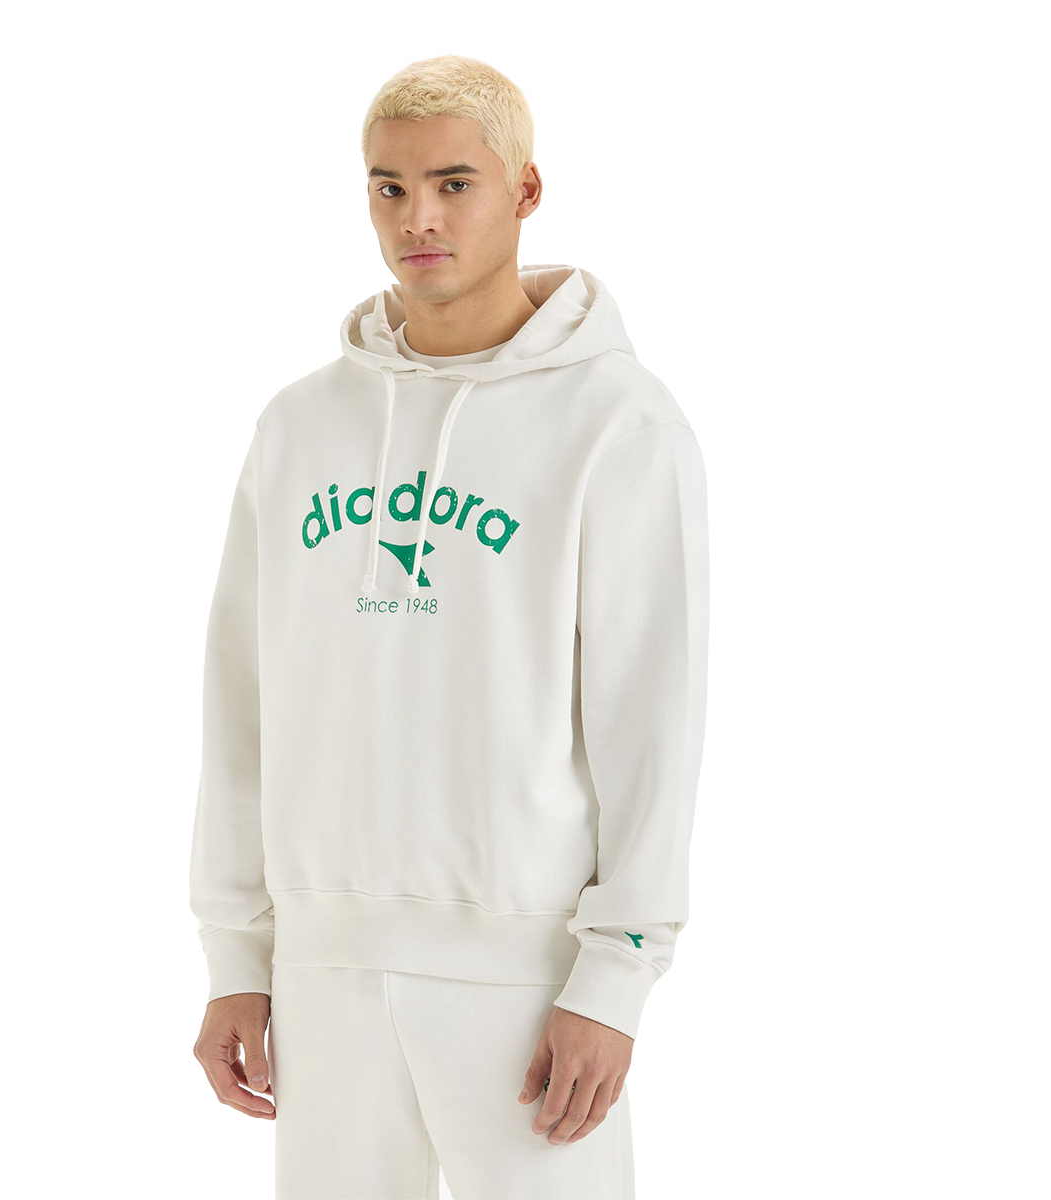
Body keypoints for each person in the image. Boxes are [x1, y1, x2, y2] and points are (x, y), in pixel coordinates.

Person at [188, 53, 710, 1199]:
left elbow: (651, 717)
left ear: (525, 191)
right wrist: (237, 957)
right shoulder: (300, 428)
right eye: (389, 187)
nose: (417, 218)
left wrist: (615, 979)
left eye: (453, 184)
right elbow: (241, 702)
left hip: (527, 982)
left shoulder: (618, 427)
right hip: (323, 974)